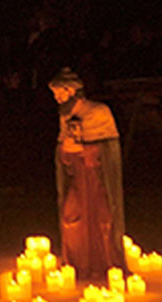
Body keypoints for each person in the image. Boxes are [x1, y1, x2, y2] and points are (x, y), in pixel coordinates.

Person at [49, 68, 126, 279]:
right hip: (76, 178)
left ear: (71, 91)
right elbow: (62, 150)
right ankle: (78, 262)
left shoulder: (99, 112)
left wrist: (86, 149)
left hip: (96, 179)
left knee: (102, 220)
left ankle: (103, 263)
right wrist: (65, 150)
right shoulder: (65, 116)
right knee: (71, 217)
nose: (57, 99)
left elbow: (108, 148)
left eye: (59, 94)